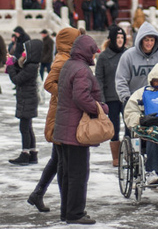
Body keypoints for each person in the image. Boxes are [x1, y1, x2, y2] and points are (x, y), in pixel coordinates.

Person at [53, 34, 107, 225]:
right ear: (86, 52)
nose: (94, 55)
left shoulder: (69, 65)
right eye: (92, 52)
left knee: (68, 173)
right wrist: (100, 109)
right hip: (76, 130)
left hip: (65, 129)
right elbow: (81, 98)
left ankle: (66, 212)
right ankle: (75, 213)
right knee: (78, 174)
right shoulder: (82, 70)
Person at [27, 26, 80, 214]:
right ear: (69, 43)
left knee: (57, 158)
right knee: (62, 163)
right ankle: (66, 204)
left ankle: (38, 193)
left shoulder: (68, 58)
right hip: (60, 115)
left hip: (62, 113)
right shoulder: (62, 59)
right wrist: (68, 94)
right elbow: (49, 83)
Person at [115, 22, 158, 104]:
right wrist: (126, 98)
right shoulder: (128, 56)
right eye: (146, 40)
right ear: (141, 40)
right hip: (135, 101)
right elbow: (121, 79)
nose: (149, 43)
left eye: (152, 40)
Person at [95, 26, 128, 166]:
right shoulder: (103, 57)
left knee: (130, 126)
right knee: (113, 127)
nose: (120, 40)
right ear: (111, 39)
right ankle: (116, 157)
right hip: (111, 97)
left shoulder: (128, 54)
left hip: (127, 97)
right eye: (117, 38)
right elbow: (99, 79)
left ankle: (128, 153)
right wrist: (101, 100)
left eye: (122, 38)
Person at [8, 38, 44, 165]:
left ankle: (25, 154)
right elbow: (20, 69)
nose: (23, 52)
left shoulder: (31, 67)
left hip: (27, 100)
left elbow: (17, 79)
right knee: (28, 127)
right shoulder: (30, 65)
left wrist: (10, 66)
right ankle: (32, 153)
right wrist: (14, 62)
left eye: (25, 50)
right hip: (27, 99)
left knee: (24, 128)